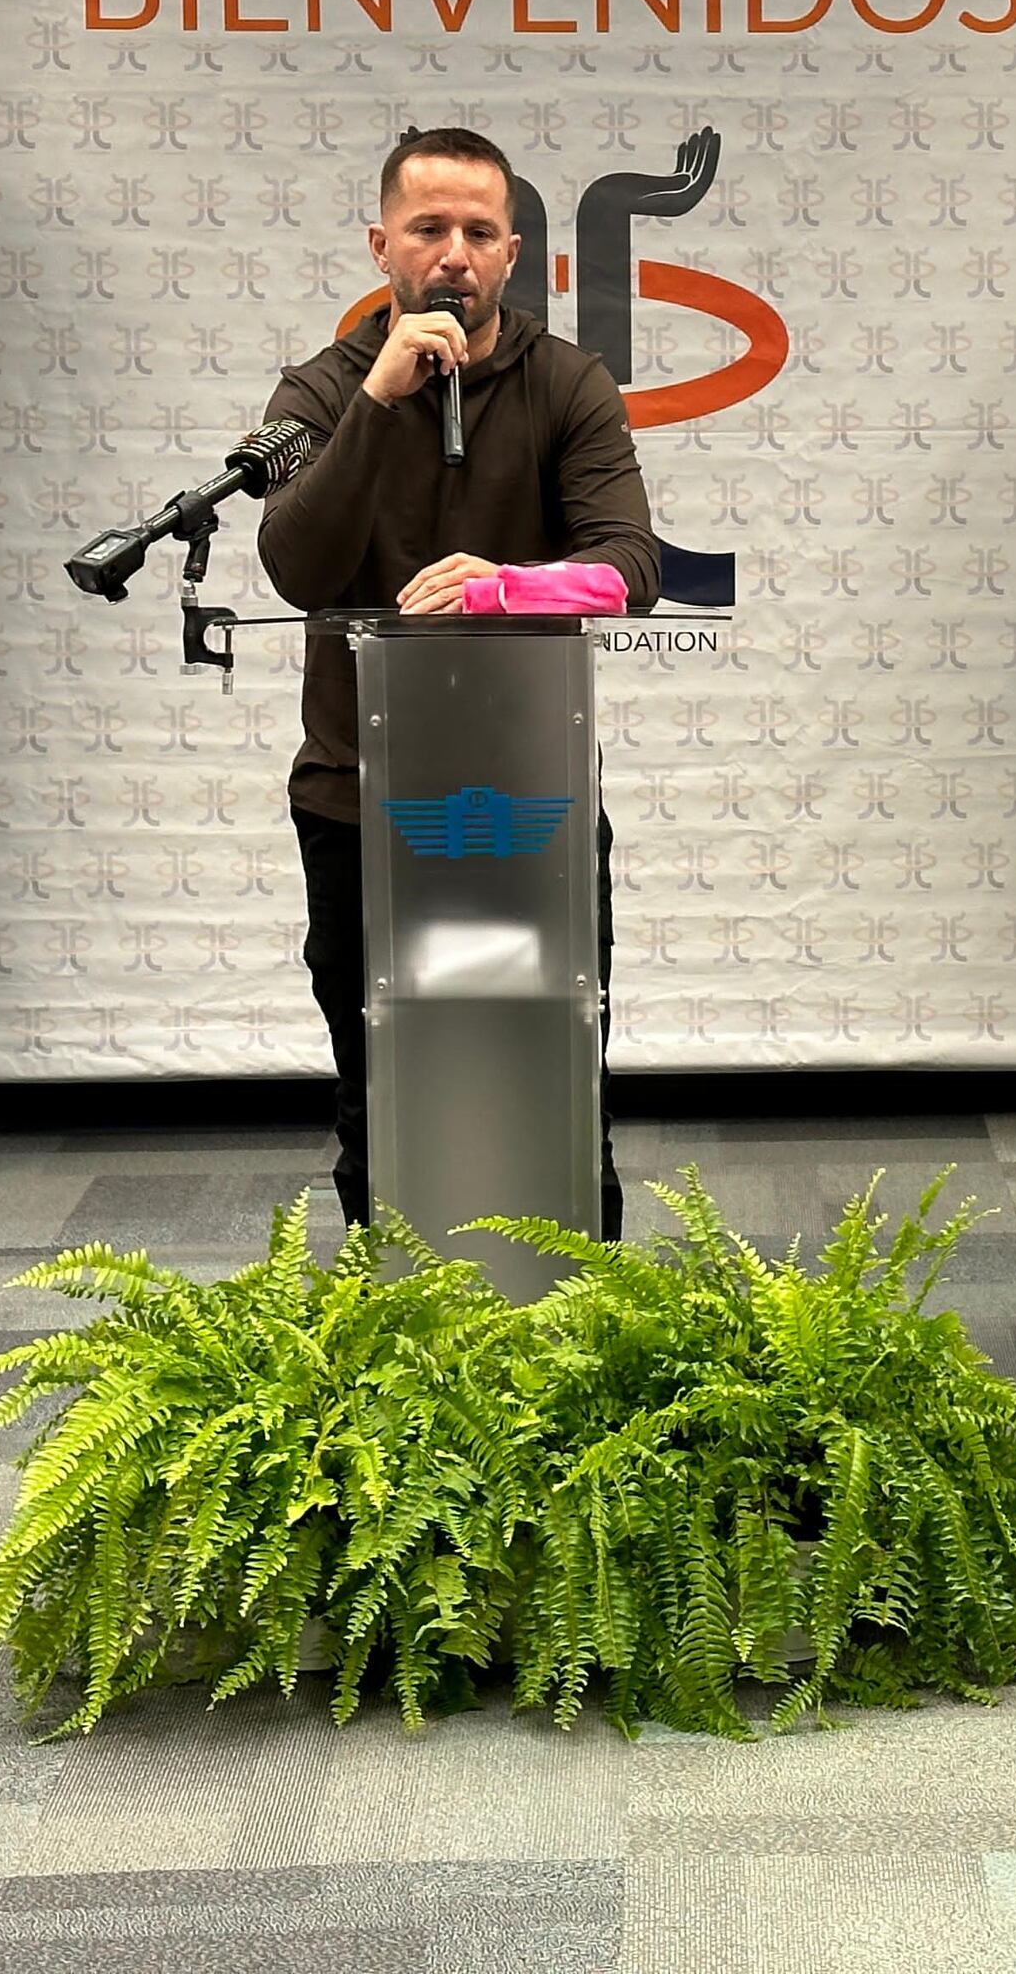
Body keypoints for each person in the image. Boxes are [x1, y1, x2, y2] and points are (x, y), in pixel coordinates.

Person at [256, 125, 660, 1231]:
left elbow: (632, 569)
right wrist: (377, 404)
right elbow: (294, 566)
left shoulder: (567, 381)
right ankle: (390, 1341)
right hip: (357, 797)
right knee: (375, 1092)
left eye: (479, 232)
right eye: (428, 229)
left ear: (512, 252)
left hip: (527, 799)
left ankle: (581, 1339)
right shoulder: (318, 390)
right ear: (381, 243)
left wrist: (500, 588)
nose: (453, 254)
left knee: (554, 1075)